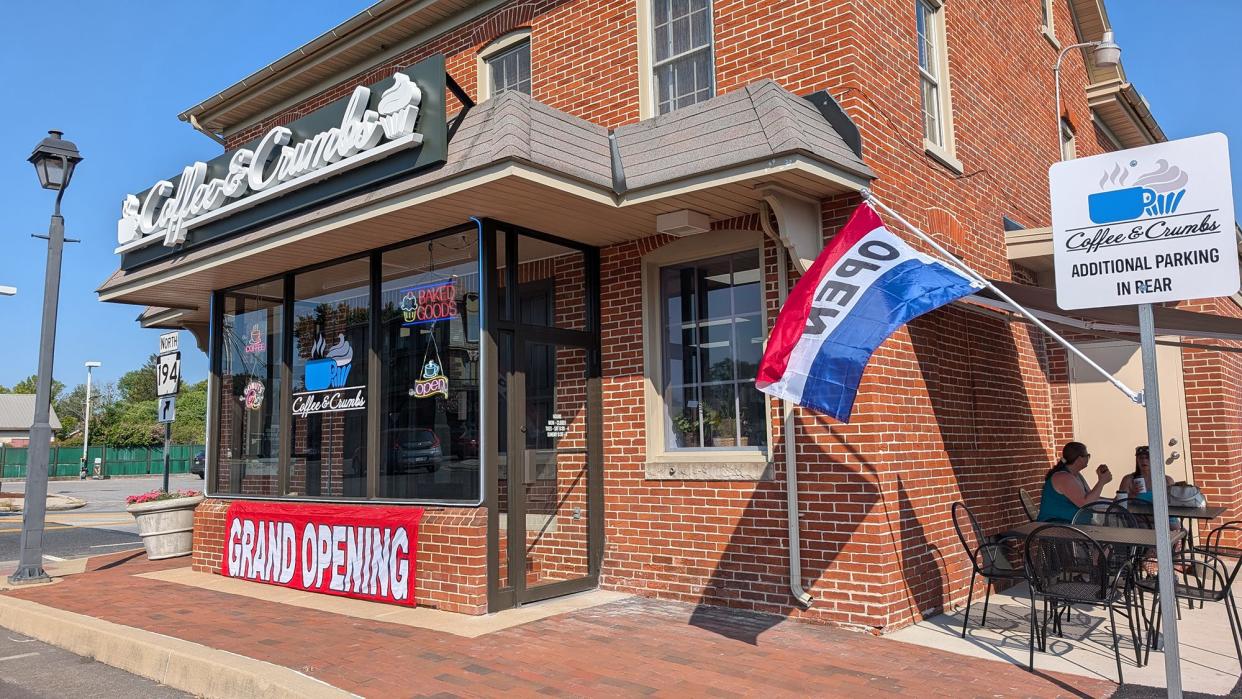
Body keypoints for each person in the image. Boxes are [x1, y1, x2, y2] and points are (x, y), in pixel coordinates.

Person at [1037, 441, 1113, 523]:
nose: (1088, 458)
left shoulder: (1076, 475)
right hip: (1056, 527)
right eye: (1087, 456)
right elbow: (1086, 504)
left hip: (1073, 526)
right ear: (1080, 459)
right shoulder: (1063, 477)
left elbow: (1090, 497)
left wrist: (1113, 501)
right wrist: (1101, 482)